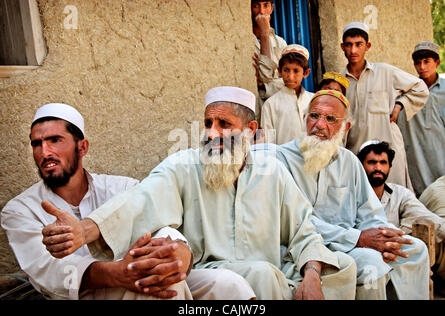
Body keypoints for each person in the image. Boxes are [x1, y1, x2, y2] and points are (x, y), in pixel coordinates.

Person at [41, 87, 357, 300]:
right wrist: (85, 230)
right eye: (208, 122)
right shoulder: (184, 165)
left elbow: (304, 229)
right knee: (262, 275)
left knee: (348, 267)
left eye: (224, 124)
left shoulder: (272, 172)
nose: (212, 132)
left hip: (275, 271)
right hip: (209, 272)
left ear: (250, 130)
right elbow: (140, 201)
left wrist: (312, 272)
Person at [0, 103, 195, 300]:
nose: (44, 152)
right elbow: (47, 270)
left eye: (55, 140)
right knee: (151, 283)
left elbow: (157, 223)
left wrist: (180, 252)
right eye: (36, 144)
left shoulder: (122, 188)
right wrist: (117, 273)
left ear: (82, 147)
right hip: (76, 295)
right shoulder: (20, 209)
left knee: (211, 281)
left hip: (134, 281)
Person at [254, 90, 430, 299]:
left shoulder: (350, 162)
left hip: (352, 243)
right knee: (371, 264)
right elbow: (299, 223)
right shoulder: (282, 159)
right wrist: (359, 238)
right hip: (311, 250)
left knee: (415, 250)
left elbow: (370, 212)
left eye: (330, 119)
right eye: (314, 116)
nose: (320, 125)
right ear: (305, 119)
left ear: (345, 127)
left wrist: (385, 237)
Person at [340, 22, 429, 191]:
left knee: (394, 197)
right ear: (342, 47)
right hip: (357, 153)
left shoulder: (385, 72)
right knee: (362, 199)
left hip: (389, 152)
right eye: (349, 45)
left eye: (358, 44)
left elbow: (420, 88)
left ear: (368, 46)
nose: (353, 51)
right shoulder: (340, 81)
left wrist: (399, 105)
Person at [357, 140, 445, 285]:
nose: (378, 167)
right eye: (372, 162)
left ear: (390, 167)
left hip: (398, 258)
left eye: (383, 163)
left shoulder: (401, 194)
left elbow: (427, 218)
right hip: (366, 258)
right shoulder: (351, 195)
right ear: (361, 166)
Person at [397, 41, 445, 197]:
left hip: (440, 156)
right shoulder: (408, 90)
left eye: (427, 62)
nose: (422, 67)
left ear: (437, 63)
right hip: (415, 159)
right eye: (418, 63)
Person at [260, 44, 313, 144]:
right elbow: (267, 142)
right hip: (282, 159)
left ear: (306, 73)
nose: (290, 77)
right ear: (279, 71)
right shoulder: (270, 104)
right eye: (286, 70)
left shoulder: (314, 100)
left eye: (296, 71)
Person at [251, 0, 287, 120]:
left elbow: (288, 82)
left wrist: (262, 85)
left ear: (271, 8)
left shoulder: (280, 43)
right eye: (256, 6)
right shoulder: (245, 40)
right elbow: (267, 76)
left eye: (265, 5)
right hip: (255, 110)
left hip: (278, 111)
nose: (261, 12)